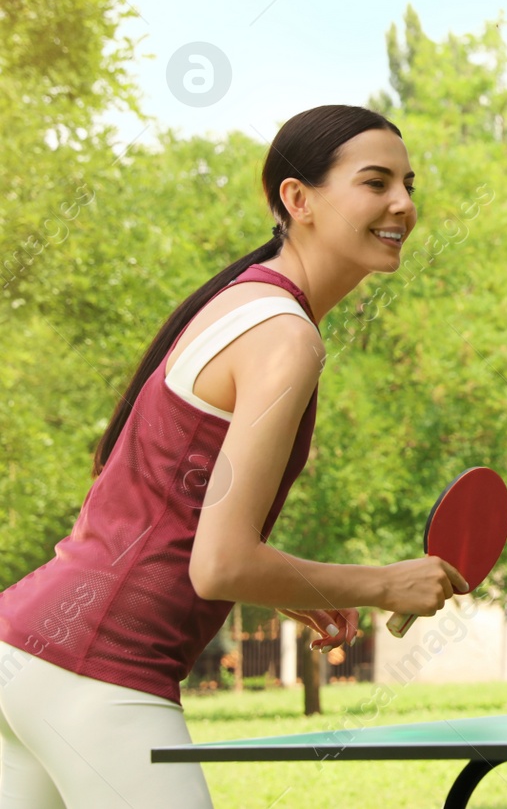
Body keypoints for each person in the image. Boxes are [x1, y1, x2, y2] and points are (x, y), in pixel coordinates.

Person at [0, 105, 468, 809]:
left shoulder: (243, 302)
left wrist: (302, 589)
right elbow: (218, 562)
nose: (402, 202)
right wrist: (383, 582)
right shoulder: (285, 337)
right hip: (98, 672)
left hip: (23, 655)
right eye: (375, 182)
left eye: (408, 183)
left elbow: (172, 518)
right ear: (297, 198)